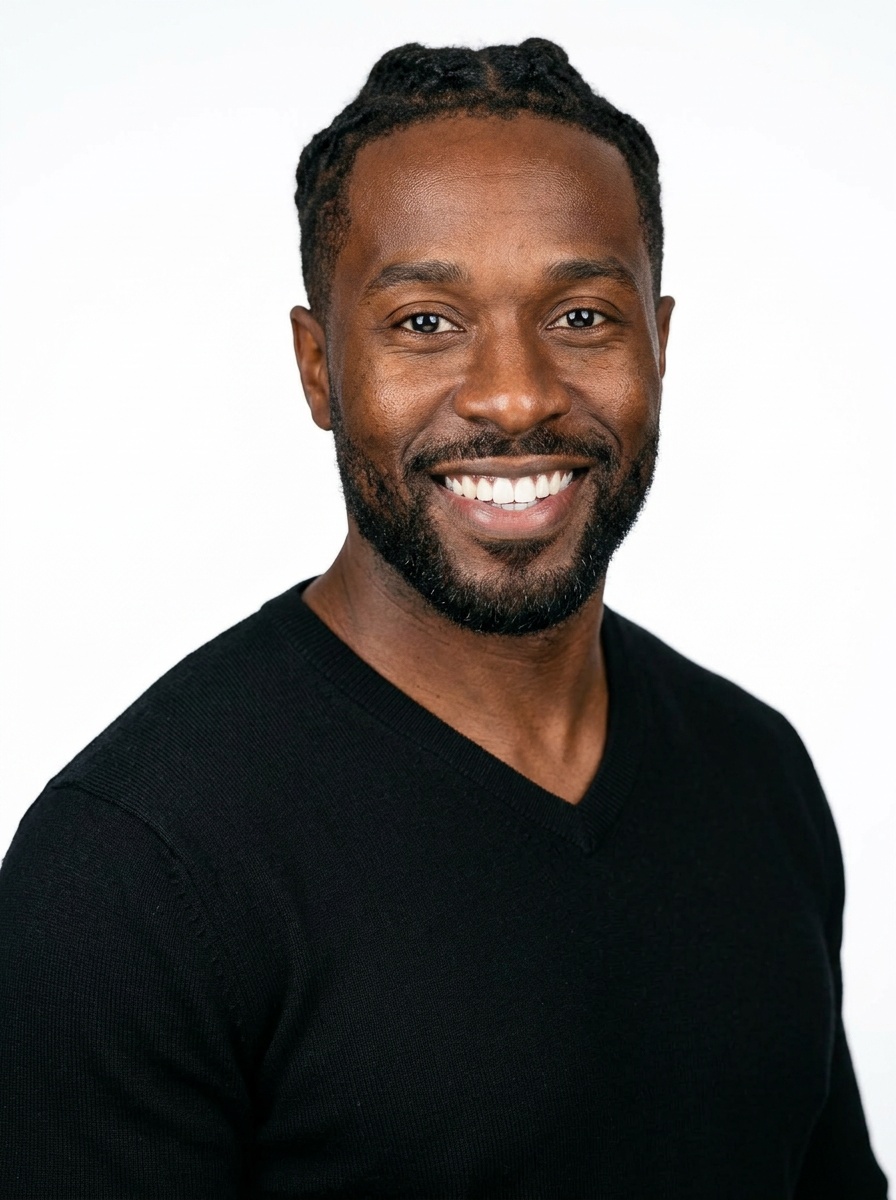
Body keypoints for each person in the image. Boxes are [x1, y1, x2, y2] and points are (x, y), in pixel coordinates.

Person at [0, 37, 887, 1199]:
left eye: (579, 316)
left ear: (658, 342)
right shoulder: (132, 872)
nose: (514, 393)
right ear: (319, 370)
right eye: (425, 322)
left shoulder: (753, 768)